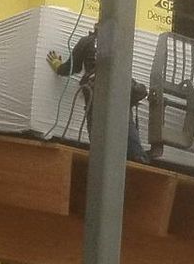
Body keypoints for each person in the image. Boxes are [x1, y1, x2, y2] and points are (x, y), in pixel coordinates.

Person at [47, 25, 148, 162]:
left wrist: (58, 66)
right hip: (119, 91)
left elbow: (71, 68)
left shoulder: (87, 41)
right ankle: (138, 157)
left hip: (97, 93)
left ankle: (104, 159)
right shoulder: (121, 44)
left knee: (99, 139)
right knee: (127, 128)